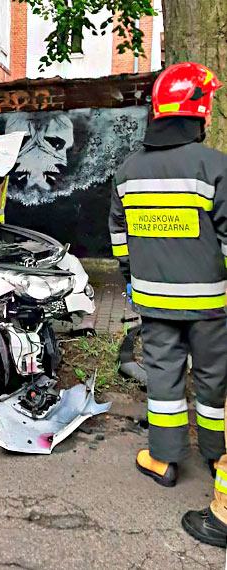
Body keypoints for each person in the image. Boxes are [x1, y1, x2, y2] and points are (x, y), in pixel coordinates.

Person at [109, 62, 227, 502]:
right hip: (212, 303)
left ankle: (165, 459)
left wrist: (132, 279)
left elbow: (119, 238)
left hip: (154, 300)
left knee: (164, 378)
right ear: (197, 111)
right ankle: (218, 454)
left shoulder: (127, 171)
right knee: (214, 378)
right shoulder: (216, 166)